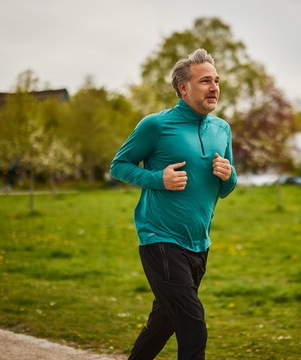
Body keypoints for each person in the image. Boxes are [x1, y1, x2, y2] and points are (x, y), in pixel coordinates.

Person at [110, 48, 237, 360]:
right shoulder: (156, 125)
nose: (214, 88)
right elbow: (119, 165)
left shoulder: (222, 129)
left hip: (199, 243)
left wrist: (229, 175)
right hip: (160, 238)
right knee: (193, 325)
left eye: (217, 81)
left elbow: (226, 188)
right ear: (183, 88)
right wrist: (158, 179)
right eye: (205, 81)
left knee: (164, 322)